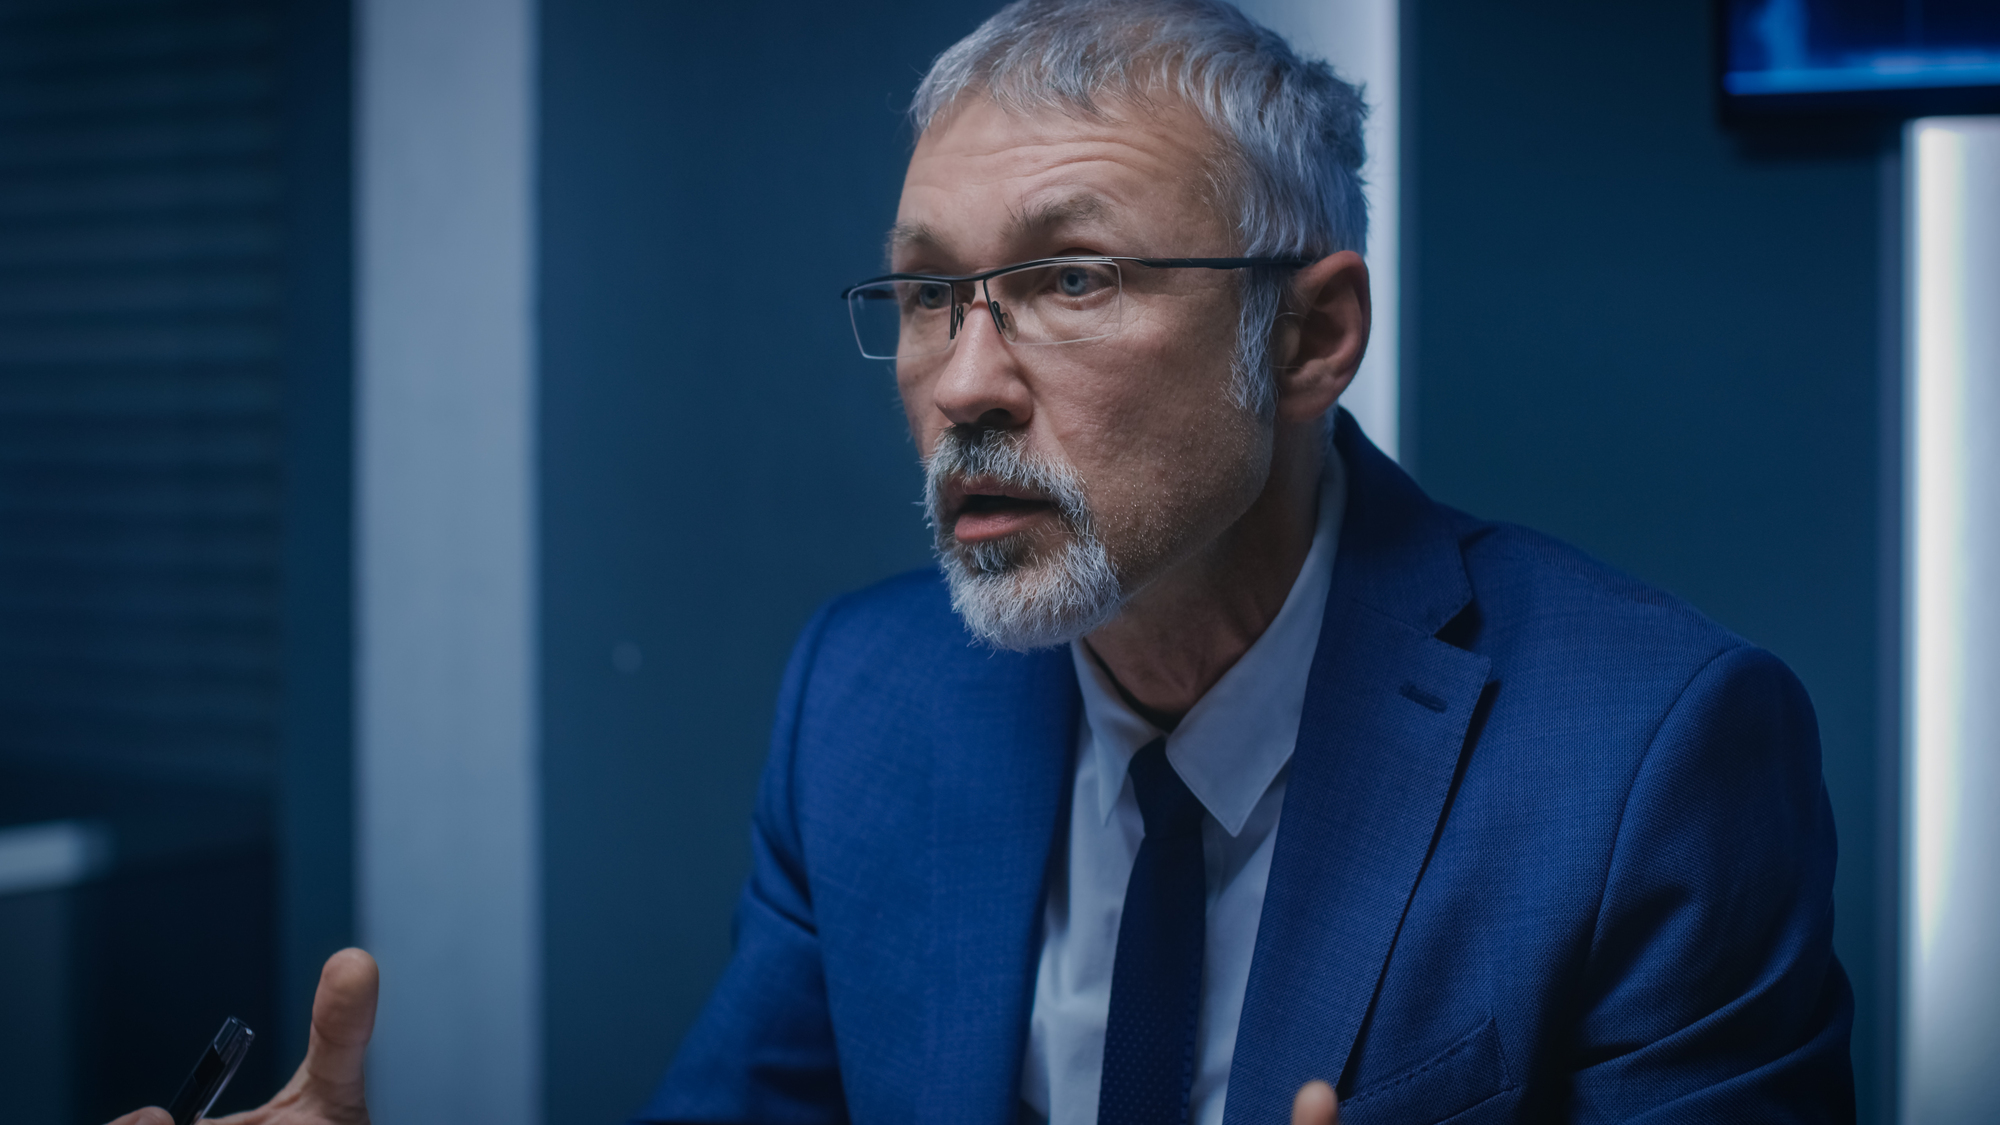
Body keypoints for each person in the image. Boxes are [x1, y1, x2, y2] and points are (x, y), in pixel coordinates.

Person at [106, 1, 1854, 1123]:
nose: (959, 378)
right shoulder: (864, 695)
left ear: (1312, 337)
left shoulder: (1649, 753)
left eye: (1072, 277)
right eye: (928, 289)